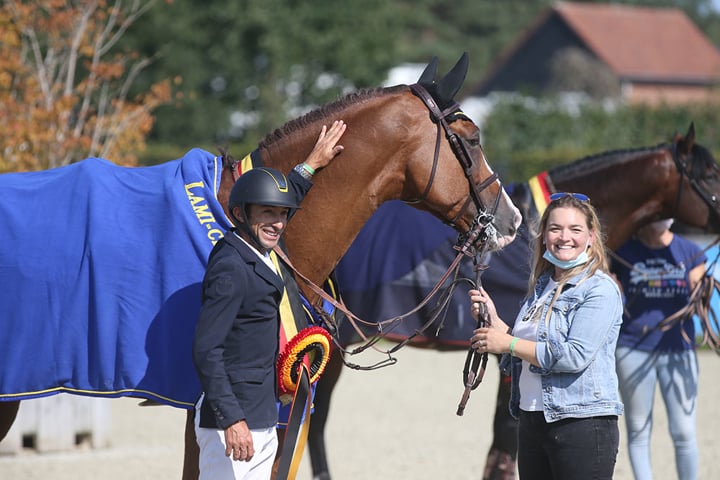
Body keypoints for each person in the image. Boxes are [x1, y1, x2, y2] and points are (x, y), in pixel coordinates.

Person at [192, 120, 346, 479]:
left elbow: (278, 196)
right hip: (231, 424)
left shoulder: (260, 248)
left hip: (261, 417)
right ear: (242, 214)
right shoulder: (231, 265)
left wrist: (310, 165)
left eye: (282, 215)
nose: (277, 223)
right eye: (267, 214)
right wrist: (232, 420)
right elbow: (206, 349)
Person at [468, 192, 624, 480]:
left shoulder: (599, 289)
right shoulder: (541, 288)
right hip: (532, 419)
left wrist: (509, 342)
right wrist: (497, 325)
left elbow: (573, 355)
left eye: (575, 229)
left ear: (591, 236)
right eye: (555, 228)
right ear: (543, 236)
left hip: (581, 424)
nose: (564, 237)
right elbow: (524, 352)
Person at [612, 219, 706, 480]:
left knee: (684, 431)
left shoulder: (690, 251)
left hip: (679, 348)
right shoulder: (622, 250)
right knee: (639, 429)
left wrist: (701, 290)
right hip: (632, 348)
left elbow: (700, 298)